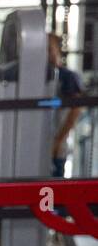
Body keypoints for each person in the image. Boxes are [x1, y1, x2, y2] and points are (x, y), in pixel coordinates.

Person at [49, 33, 82, 179]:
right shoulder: (35, 77)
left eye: (49, 49)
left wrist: (58, 140)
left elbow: (76, 109)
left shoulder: (67, 77)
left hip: (56, 147)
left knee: (52, 192)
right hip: (40, 143)